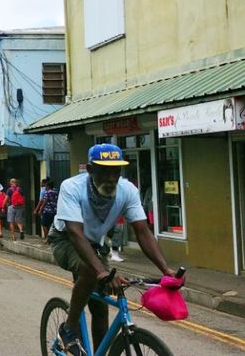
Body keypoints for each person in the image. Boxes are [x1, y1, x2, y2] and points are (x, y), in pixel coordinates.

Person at [51, 144, 179, 355]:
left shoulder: (128, 190)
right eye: (104, 171)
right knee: (91, 271)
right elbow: (75, 232)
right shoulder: (72, 187)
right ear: (90, 170)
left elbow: (143, 231)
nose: (111, 177)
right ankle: (69, 328)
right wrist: (101, 271)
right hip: (65, 239)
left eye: (115, 171)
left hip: (96, 245)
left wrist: (166, 270)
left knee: (101, 310)